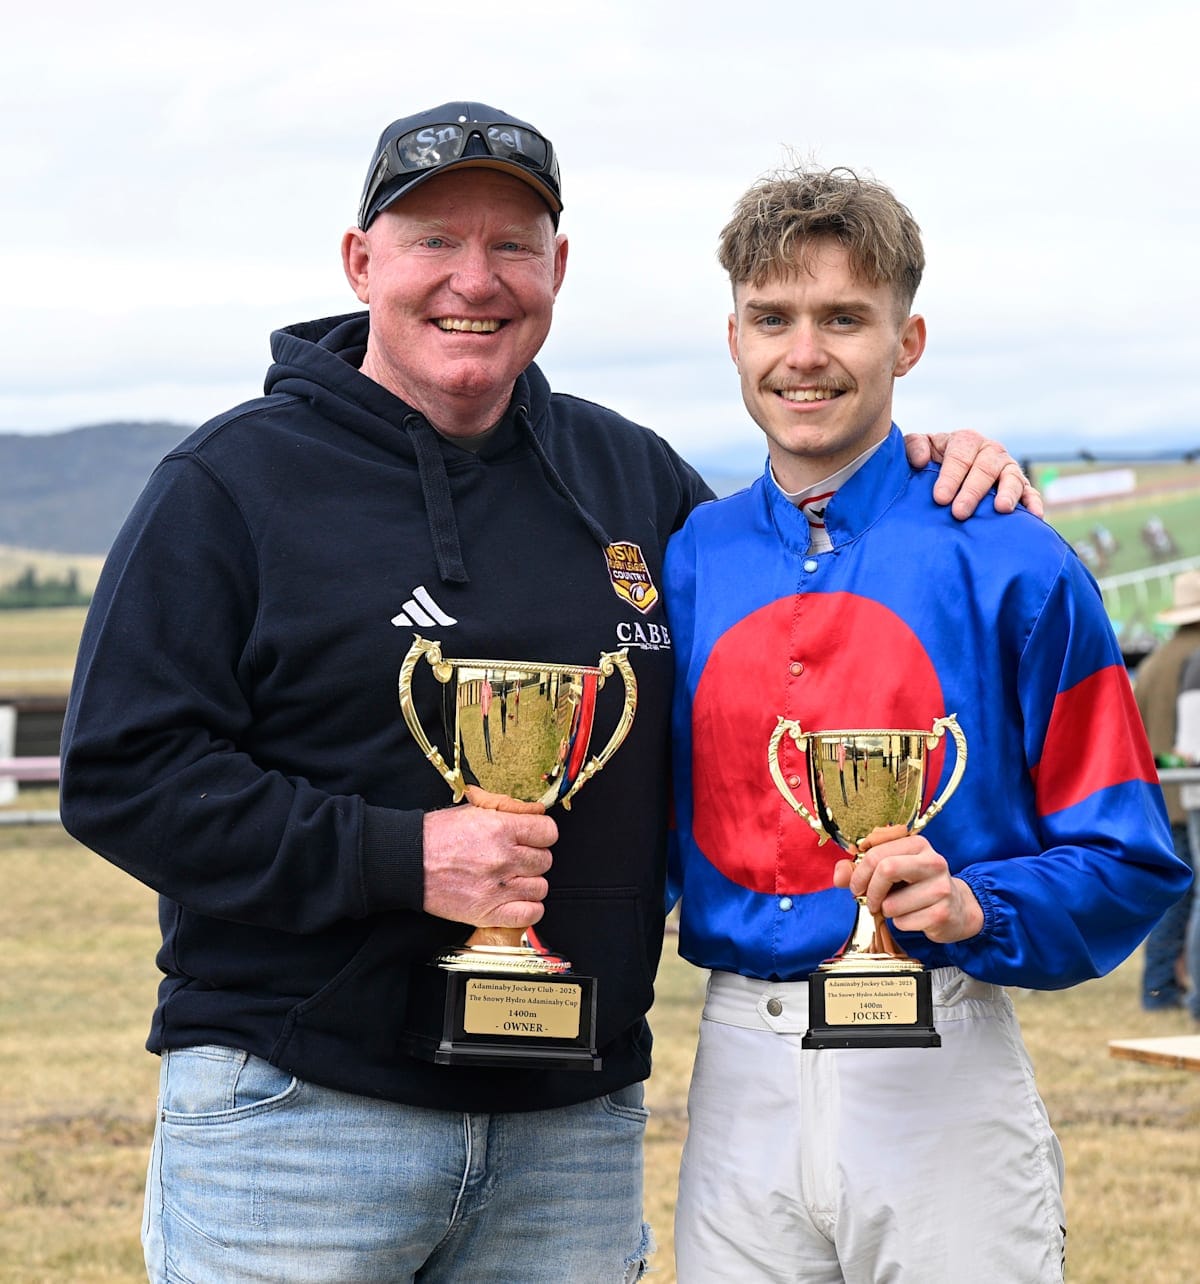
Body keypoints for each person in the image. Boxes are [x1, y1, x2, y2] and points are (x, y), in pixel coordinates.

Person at [59, 103, 1038, 1283]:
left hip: (569, 1137)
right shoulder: (228, 484)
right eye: (434, 240)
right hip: (297, 1118)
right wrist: (401, 858)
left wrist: (931, 474)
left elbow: (797, 586)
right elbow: (123, 776)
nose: (474, 280)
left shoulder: (632, 479)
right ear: (361, 261)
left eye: (512, 245)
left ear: (558, 269)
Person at [664, 164, 1190, 1282]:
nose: (805, 353)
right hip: (735, 1069)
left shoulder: (1016, 556)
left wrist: (973, 905)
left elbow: (1132, 857)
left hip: (942, 1051)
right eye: (774, 318)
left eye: (844, 318)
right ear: (734, 337)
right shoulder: (691, 556)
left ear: (906, 342)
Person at [1133, 569, 1200, 1010]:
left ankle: (1159, 986)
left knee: (1173, 900)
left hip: (1159, 796)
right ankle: (1164, 990)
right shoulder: (1194, 657)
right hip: (1188, 792)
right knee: (1187, 901)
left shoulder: (1154, 662)